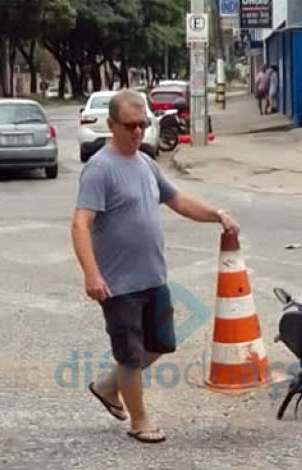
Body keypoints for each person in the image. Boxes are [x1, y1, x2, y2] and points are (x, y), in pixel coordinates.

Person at [71, 89, 240, 444]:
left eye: (142, 124)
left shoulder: (146, 164)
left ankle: (107, 386)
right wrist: (91, 274)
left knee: (161, 344)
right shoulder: (100, 169)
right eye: (130, 126)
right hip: (118, 285)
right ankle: (140, 421)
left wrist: (216, 215)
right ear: (112, 125)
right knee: (130, 355)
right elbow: (81, 224)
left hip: (153, 277)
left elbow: (177, 200)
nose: (137, 132)